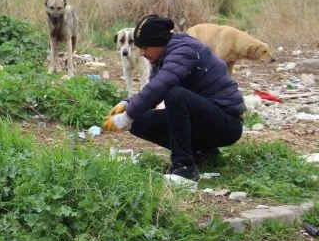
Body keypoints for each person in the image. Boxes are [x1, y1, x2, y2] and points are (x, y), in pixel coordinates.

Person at [102, 14, 245, 186]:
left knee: (175, 95)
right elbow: (152, 89)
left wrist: (126, 116)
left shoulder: (183, 50)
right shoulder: (162, 56)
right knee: (139, 121)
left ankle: (185, 168)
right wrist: (127, 104)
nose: (141, 52)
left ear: (159, 42)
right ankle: (202, 151)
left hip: (227, 123)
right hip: (204, 119)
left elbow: (161, 87)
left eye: (145, 47)